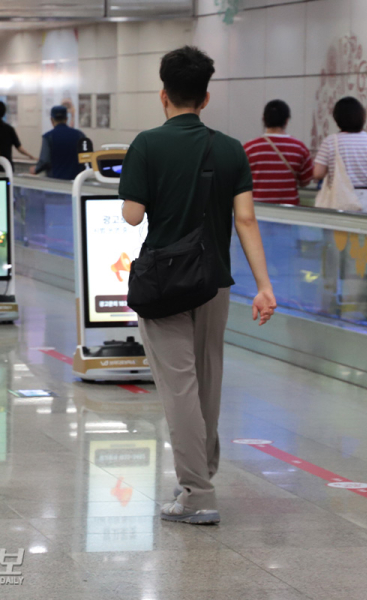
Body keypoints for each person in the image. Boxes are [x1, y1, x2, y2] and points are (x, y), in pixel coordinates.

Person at [119, 46, 277, 525]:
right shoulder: (230, 148)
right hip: (215, 283)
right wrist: (265, 287)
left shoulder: (146, 144)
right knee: (208, 379)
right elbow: (246, 219)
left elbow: (132, 215)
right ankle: (200, 472)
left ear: (163, 94)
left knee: (179, 386)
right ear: (205, 98)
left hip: (165, 283)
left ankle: (197, 491)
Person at [313, 96, 367, 213]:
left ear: (337, 118)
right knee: (363, 230)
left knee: (337, 231)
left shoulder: (330, 142)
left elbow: (318, 173)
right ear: (362, 117)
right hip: (364, 199)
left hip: (337, 197)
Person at [243, 100, 314, 205]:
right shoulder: (299, 147)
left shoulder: (249, 148)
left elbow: (239, 182)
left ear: (264, 119)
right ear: (286, 121)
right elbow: (305, 181)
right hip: (290, 210)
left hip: (257, 209)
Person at [30, 105, 85, 180]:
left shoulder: (48, 137)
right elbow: (86, 160)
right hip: (76, 184)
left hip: (56, 184)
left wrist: (36, 169)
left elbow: (45, 161)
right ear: (66, 119)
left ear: (51, 120)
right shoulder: (80, 135)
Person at [0, 100, 36, 167]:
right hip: (7, 166)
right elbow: (19, 147)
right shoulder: (9, 129)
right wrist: (31, 156)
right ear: (4, 113)